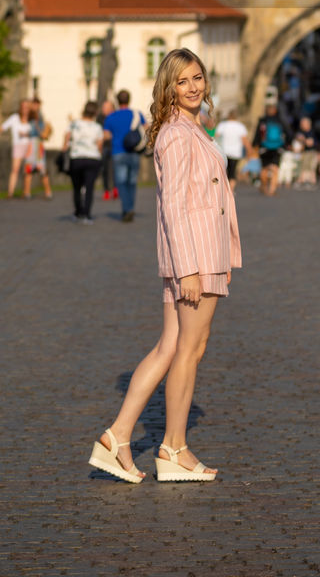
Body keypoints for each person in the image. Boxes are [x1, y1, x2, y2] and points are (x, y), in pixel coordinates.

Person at [89, 48, 241, 483]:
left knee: (172, 347)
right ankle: (173, 447)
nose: (193, 87)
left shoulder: (190, 126)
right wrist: (190, 268)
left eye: (198, 78)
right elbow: (174, 206)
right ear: (169, 87)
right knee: (189, 351)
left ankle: (117, 437)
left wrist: (221, 257)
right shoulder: (176, 133)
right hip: (193, 253)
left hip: (202, 252)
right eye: (183, 81)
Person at [103, 89, 147, 222]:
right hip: (133, 152)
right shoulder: (137, 114)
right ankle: (131, 208)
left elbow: (106, 135)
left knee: (121, 183)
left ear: (117, 101)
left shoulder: (111, 117)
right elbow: (147, 128)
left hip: (118, 152)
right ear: (129, 100)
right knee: (132, 182)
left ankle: (126, 209)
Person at [63, 100, 104, 223]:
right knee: (89, 188)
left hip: (77, 158)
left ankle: (77, 212)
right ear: (95, 112)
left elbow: (66, 139)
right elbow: (99, 145)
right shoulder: (97, 127)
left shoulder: (74, 124)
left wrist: (66, 147)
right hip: (92, 158)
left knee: (77, 187)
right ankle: (86, 214)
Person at [253, 102, 289, 197]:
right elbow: (288, 133)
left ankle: (264, 187)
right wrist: (287, 144)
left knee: (264, 168)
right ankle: (272, 189)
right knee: (275, 169)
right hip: (277, 147)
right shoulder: (280, 121)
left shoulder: (262, 120)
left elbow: (258, 134)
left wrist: (255, 145)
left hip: (264, 147)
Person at [214, 109, 252, 192]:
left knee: (223, 172)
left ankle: (223, 190)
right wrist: (249, 151)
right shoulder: (240, 127)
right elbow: (245, 141)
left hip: (224, 152)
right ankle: (230, 191)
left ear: (228, 116)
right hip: (236, 153)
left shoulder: (222, 125)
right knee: (232, 172)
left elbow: (216, 138)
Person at [2, 98, 33, 198]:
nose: (25, 109)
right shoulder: (15, 118)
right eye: (23, 107)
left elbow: (35, 133)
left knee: (27, 170)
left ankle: (26, 192)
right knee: (15, 169)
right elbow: (3, 127)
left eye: (27, 107)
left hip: (28, 145)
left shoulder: (31, 120)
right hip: (18, 145)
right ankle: (10, 192)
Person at [23, 99, 53, 199]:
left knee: (42, 170)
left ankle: (48, 192)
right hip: (32, 145)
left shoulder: (39, 117)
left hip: (36, 145)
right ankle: (27, 192)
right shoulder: (31, 116)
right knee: (29, 170)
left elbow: (40, 133)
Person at [98, 98, 119, 203]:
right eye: (103, 107)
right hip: (104, 147)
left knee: (115, 169)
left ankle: (116, 189)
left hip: (114, 146)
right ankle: (106, 190)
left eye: (105, 107)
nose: (103, 109)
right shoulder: (100, 119)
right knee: (105, 169)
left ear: (111, 108)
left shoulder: (115, 117)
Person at [294, 116, 320, 188]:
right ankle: (302, 180)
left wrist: (303, 140)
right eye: (301, 124)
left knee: (309, 167)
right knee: (302, 167)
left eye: (303, 124)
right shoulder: (300, 132)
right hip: (303, 152)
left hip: (310, 152)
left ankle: (309, 181)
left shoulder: (312, 132)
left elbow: (311, 143)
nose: (301, 125)